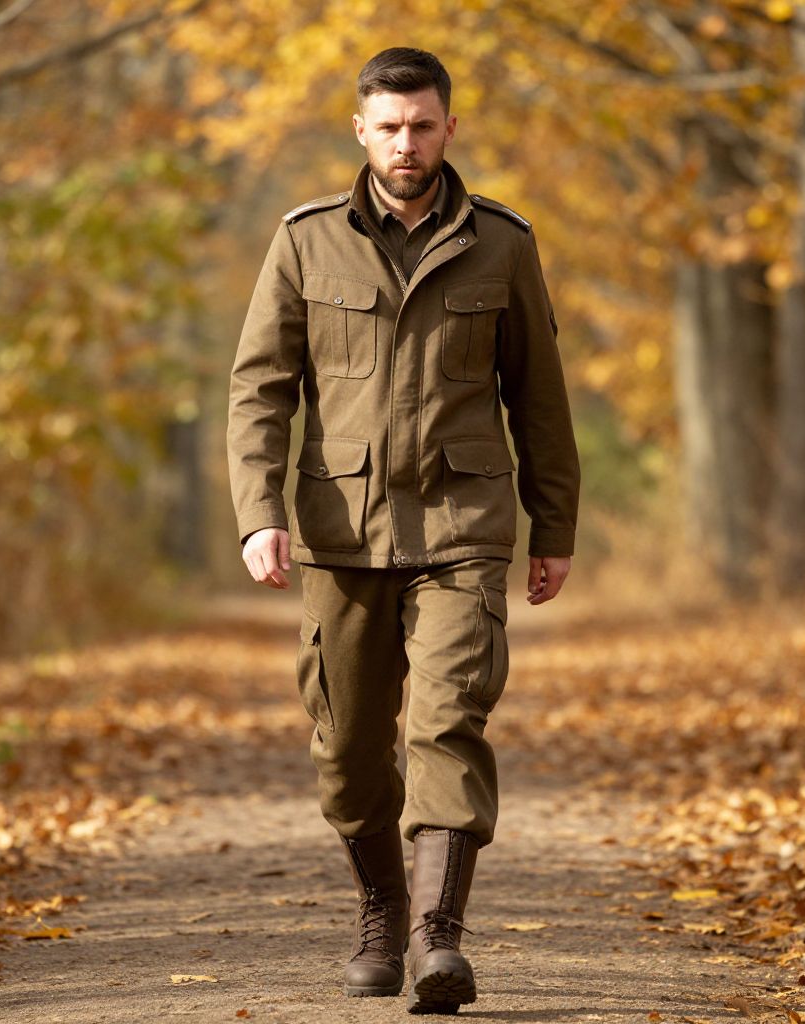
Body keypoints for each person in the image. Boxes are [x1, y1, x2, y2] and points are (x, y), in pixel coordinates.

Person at [227, 46, 580, 1015]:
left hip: (464, 526)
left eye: (422, 124)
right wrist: (258, 513)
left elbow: (537, 399)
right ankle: (382, 903)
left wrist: (554, 526)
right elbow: (258, 390)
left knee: (446, 722)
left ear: (448, 128)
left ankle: (436, 940)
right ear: (359, 130)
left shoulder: (502, 244)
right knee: (345, 751)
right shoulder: (303, 242)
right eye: (388, 126)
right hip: (341, 534)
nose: (406, 143)